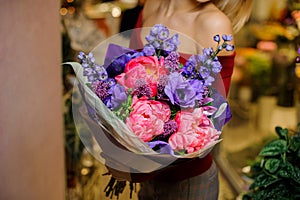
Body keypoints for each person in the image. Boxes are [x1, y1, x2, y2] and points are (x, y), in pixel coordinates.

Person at [128, 0, 253, 199]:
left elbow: (207, 124)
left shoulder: (215, 25)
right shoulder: (151, 5)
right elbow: (128, 87)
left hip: (188, 186)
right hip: (149, 180)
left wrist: (135, 169)